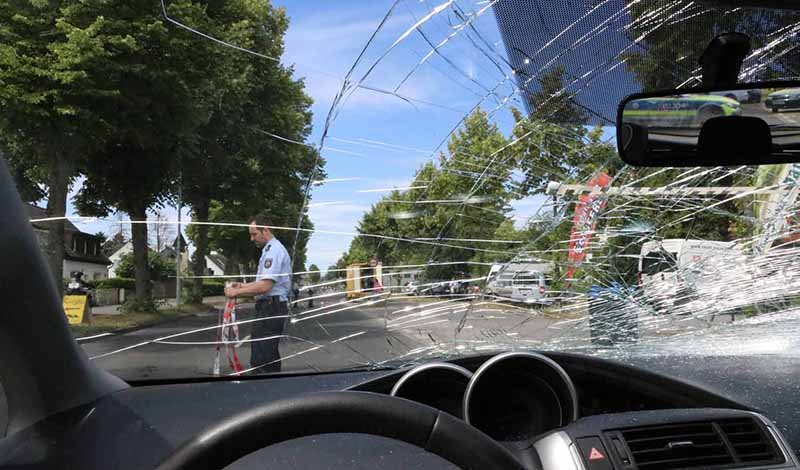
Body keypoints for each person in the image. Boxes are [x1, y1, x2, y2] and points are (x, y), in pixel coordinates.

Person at [224, 215, 292, 373]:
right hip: (270, 306)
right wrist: (242, 285)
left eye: (254, 234)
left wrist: (236, 291)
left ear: (265, 230)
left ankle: (265, 391)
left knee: (262, 359)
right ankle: (272, 390)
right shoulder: (270, 249)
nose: (251, 238)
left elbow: (265, 286)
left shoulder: (273, 251)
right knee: (267, 355)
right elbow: (264, 282)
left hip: (271, 307)